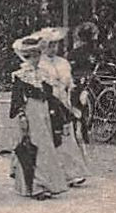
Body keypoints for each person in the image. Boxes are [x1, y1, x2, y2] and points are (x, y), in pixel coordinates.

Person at [9, 35, 68, 200]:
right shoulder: (21, 75)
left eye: (37, 55)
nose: (35, 59)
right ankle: (34, 186)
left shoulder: (43, 74)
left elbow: (50, 95)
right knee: (33, 146)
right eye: (31, 56)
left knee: (46, 146)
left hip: (44, 112)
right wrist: (21, 115)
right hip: (30, 112)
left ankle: (46, 184)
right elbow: (17, 98)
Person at [38, 27, 88, 186]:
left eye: (55, 45)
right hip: (50, 101)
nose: (53, 49)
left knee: (67, 137)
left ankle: (71, 173)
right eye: (49, 46)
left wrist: (73, 91)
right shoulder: (40, 63)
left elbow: (69, 82)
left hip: (63, 101)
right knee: (52, 136)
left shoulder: (63, 62)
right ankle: (53, 174)